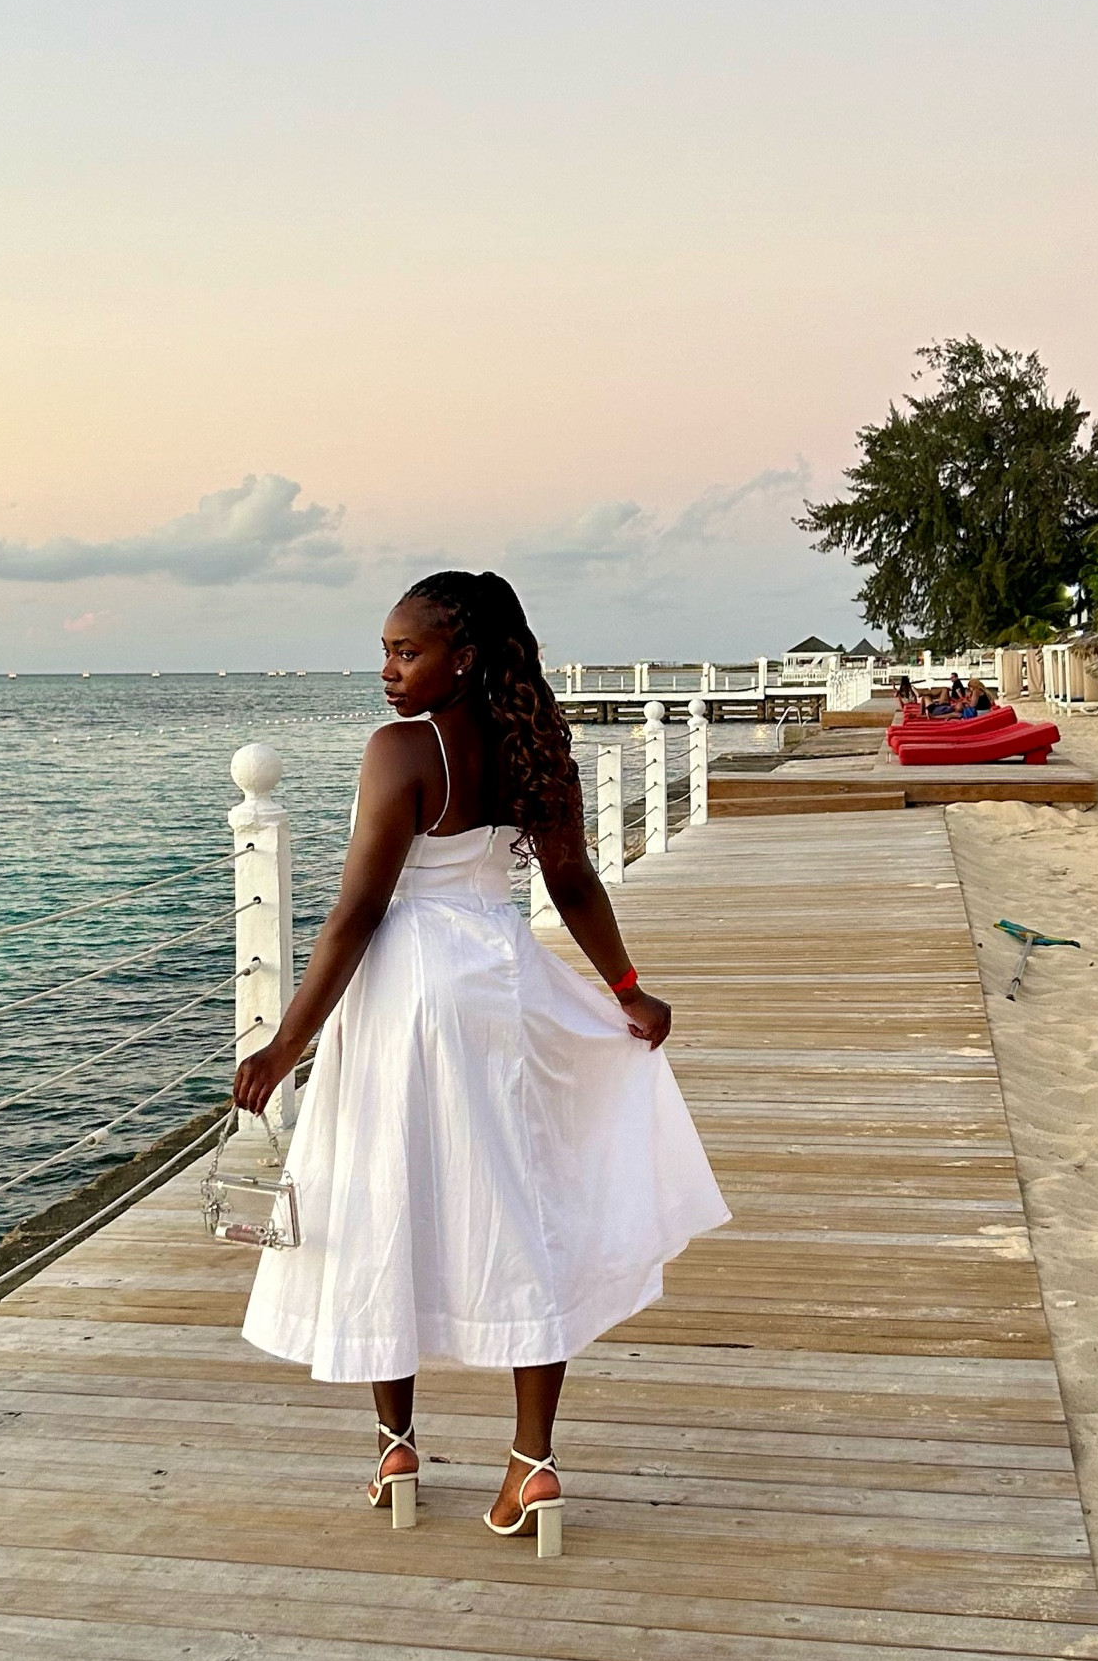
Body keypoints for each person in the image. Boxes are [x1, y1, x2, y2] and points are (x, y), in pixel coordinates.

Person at [235, 570, 730, 1553]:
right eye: (384, 649)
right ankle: (532, 1459)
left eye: (406, 651)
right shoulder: (532, 746)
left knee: (389, 1194)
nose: (387, 670)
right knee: (525, 1202)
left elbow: (358, 911)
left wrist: (285, 1043)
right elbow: (572, 880)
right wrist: (626, 988)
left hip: (405, 990)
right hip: (501, 980)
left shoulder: (400, 750)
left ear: (462, 656)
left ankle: (396, 1445)